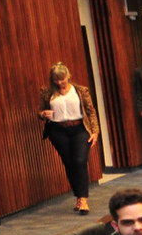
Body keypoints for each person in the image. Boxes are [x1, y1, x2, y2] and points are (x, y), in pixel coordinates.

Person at [38, 62, 100, 213]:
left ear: (68, 76)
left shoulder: (80, 91)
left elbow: (90, 111)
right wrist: (43, 114)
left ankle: (83, 199)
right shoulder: (47, 93)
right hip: (58, 131)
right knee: (69, 163)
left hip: (80, 128)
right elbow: (40, 112)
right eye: (56, 80)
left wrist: (95, 131)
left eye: (62, 79)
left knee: (80, 161)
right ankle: (78, 196)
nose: (60, 82)